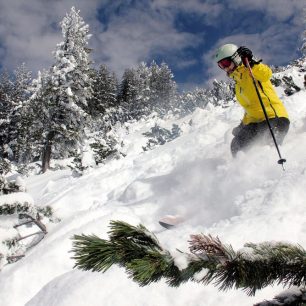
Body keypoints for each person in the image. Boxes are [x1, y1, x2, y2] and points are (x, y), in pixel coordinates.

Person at [214, 44, 290, 157]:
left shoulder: (251, 69)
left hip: (274, 119)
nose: (225, 68)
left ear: (235, 58)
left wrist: (252, 62)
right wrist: (242, 125)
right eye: (221, 65)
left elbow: (266, 74)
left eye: (225, 63)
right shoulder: (238, 84)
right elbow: (249, 107)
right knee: (236, 146)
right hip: (256, 123)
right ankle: (240, 171)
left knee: (268, 148)